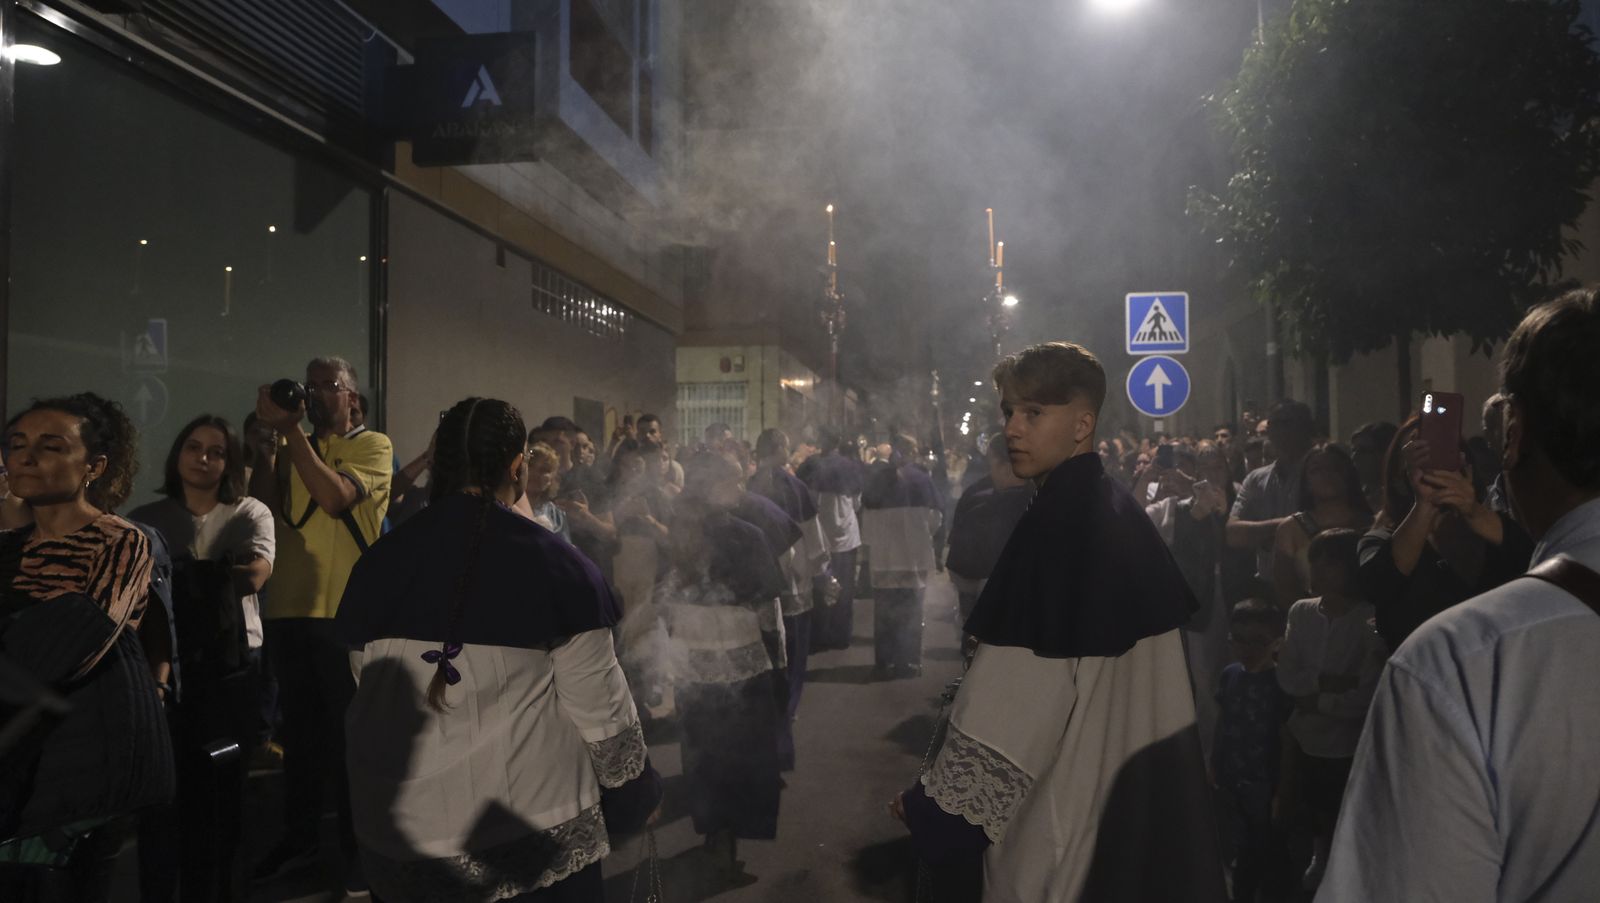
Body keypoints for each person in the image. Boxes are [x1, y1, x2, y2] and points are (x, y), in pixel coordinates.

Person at [893, 342, 1225, 902]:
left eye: (1034, 413)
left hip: (1068, 828)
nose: (1013, 430)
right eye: (1009, 413)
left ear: (1083, 423)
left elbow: (1016, 706)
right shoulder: (1112, 506)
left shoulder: (1058, 530)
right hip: (1134, 803)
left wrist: (935, 810)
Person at [1318, 289, 1600, 901]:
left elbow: (1522, 555)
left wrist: (1469, 509)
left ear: (1514, 435)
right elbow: (1386, 574)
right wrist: (1424, 503)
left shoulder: (1461, 662)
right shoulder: (1444, 643)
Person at [336, 398, 659, 902]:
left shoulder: (378, 562)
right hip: (527, 829)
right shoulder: (555, 563)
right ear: (517, 466)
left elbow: (370, 688)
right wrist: (633, 796)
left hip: (402, 833)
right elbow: (600, 707)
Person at [0, 394, 169, 902]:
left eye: (50, 447)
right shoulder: (8, 547)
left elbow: (77, 642)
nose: (26, 458)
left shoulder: (120, 540)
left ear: (94, 466)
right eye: (16, 445)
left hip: (84, 755)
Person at [247, 356, 392, 893]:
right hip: (289, 609)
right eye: (310, 386)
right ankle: (300, 840)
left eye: (329, 386)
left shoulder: (372, 445)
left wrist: (290, 435)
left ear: (353, 398)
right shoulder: (291, 445)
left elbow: (334, 499)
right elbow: (262, 511)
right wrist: (266, 450)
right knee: (302, 740)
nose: (316, 395)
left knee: (352, 741)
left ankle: (361, 852)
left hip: (345, 615)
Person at [129, 415, 275, 902]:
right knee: (166, 795)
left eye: (216, 451)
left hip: (231, 671)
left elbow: (255, 574)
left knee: (222, 790)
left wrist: (183, 576)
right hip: (164, 666)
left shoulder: (249, 510)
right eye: (194, 447)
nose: (204, 458)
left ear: (229, 461)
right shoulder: (146, 518)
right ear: (177, 455)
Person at [655, 452, 788, 875]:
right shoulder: (748, 535)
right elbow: (768, 607)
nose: (741, 489)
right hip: (743, 660)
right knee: (743, 751)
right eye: (733, 481)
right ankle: (732, 829)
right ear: (712, 486)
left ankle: (713, 828)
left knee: (702, 750)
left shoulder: (680, 532)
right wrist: (778, 662)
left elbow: (666, 603)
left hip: (693, 664)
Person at [1357, 414, 1533, 652]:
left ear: (1464, 464)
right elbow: (1379, 584)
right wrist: (1424, 504)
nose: (1432, 465)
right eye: (1418, 457)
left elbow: (1534, 557)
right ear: (1400, 475)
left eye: (1441, 451)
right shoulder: (1380, 540)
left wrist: (1472, 509)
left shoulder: (1493, 527)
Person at [1276, 528, 1382, 891]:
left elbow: (1366, 691)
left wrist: (1317, 699)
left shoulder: (1369, 618)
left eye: (1330, 564)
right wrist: (1331, 682)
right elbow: (1288, 674)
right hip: (1305, 736)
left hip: (1347, 743)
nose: (1319, 572)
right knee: (1309, 807)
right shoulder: (1302, 612)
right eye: (1314, 563)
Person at [747, 428, 829, 770]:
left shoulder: (748, 487)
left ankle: (764, 710)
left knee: (765, 651)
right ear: (780, 449)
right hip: (793, 579)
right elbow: (813, 535)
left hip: (757, 582)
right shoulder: (796, 487)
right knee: (793, 651)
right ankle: (788, 708)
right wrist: (822, 570)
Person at [1212, 601, 1292, 903]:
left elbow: (1287, 739)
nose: (1246, 648)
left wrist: (1283, 790)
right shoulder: (1230, 674)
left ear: (1275, 641)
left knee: (1267, 849)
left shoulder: (1280, 681)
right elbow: (1223, 719)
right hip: (1235, 776)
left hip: (1265, 780)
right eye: (1238, 639)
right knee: (1242, 842)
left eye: (1257, 641)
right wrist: (1214, 761)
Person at [860, 434, 942, 678]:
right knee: (911, 611)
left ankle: (884, 662)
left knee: (885, 612)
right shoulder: (922, 480)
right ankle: (908, 662)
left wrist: (872, 546)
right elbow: (935, 518)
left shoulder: (876, 481)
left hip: (884, 559)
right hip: (913, 557)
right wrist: (922, 534)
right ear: (912, 452)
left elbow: (866, 517)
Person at [944, 435, 1033, 649]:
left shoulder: (979, 502)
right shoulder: (1050, 498)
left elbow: (959, 566)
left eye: (991, 463)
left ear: (1005, 466)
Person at [1228, 400, 1318, 594]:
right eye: (1272, 424)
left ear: (1304, 427)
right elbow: (1234, 533)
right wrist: (1289, 526)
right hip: (1268, 587)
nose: (1278, 431)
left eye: (1286, 423)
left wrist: (1262, 534)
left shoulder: (1321, 472)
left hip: (1317, 588)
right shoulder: (1256, 479)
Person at [1271, 444, 1373, 608]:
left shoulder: (1372, 524)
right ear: (1306, 481)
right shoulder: (1290, 529)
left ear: (1348, 473)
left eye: (1334, 468)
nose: (1326, 475)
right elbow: (1285, 591)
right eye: (1316, 470)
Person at [797, 431, 865, 652]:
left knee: (819, 587)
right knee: (844, 588)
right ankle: (841, 636)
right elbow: (856, 503)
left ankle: (819, 635)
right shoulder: (851, 466)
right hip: (846, 536)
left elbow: (805, 499)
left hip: (819, 536)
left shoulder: (811, 465)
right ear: (838, 442)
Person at [520, 442, 571, 543]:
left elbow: (565, 552)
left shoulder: (557, 515)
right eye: (531, 465)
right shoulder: (508, 504)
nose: (535, 473)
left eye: (544, 469)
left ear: (552, 478)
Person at [1349, 421, 1399, 515]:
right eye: (1353, 450)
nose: (1354, 457)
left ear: (1385, 454)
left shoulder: (1405, 496)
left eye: (1363, 450)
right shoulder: (1352, 497)